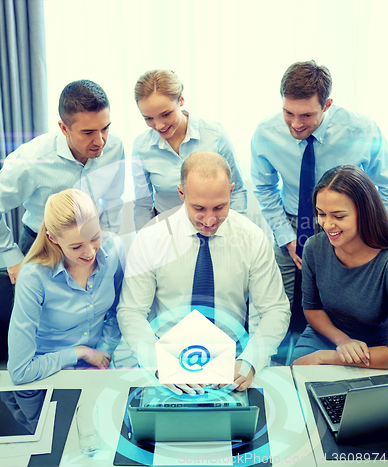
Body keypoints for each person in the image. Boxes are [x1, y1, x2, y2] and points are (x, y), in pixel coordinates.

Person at [117, 151, 290, 394]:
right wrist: (160, 365)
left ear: (231, 192)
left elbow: (275, 309)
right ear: (181, 194)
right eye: (198, 208)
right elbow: (131, 312)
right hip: (167, 365)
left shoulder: (252, 238)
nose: (209, 220)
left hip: (232, 367)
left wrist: (250, 362)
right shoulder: (150, 238)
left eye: (219, 207)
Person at [251, 61, 388, 305]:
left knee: (337, 304)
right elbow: (264, 187)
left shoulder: (361, 130)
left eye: (306, 115)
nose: (295, 124)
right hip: (292, 223)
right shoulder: (266, 133)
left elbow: (386, 186)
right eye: (288, 113)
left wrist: (370, 230)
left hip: (348, 225)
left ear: (327, 105)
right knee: (280, 303)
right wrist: (286, 237)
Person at [0, 79, 125, 284]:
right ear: (64, 128)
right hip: (43, 247)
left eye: (105, 128)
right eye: (88, 132)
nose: (100, 141)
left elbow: (113, 199)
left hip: (92, 245)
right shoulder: (30, 160)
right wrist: (12, 258)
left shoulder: (115, 146)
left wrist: (108, 243)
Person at [7, 189, 124, 385]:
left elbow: (117, 311)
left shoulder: (113, 250)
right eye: (76, 246)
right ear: (52, 238)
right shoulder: (34, 276)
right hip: (46, 374)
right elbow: (20, 372)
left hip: (95, 370)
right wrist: (79, 353)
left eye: (95, 237)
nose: (90, 253)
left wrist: (102, 353)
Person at [291, 166, 388, 369]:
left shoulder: (384, 261)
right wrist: (342, 341)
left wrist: (327, 357)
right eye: (321, 214)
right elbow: (312, 309)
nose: (326, 225)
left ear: (365, 212)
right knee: (298, 372)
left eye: (338, 216)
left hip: (379, 346)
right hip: (326, 334)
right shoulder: (314, 247)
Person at [132, 70, 247, 231]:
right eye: (148, 118)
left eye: (165, 114)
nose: (158, 125)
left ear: (181, 100)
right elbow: (143, 205)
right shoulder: (141, 147)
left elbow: (237, 191)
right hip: (169, 234)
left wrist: (235, 233)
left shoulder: (215, 135)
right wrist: (143, 242)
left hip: (217, 229)